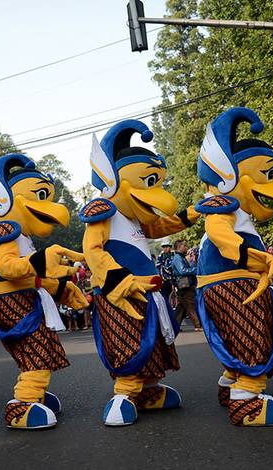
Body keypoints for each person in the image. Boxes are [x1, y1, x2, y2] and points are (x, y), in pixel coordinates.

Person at [81, 119, 199, 427]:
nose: (155, 193)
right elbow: (92, 249)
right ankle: (124, 394)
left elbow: (160, 226)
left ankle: (147, 389)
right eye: (148, 182)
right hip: (122, 293)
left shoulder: (133, 217)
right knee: (129, 343)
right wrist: (118, 277)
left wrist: (190, 214)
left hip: (149, 292)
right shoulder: (104, 210)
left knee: (152, 343)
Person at [195, 107, 273, 427]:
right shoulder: (220, 207)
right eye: (267, 175)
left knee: (241, 336)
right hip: (231, 281)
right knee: (251, 335)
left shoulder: (236, 209)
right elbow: (220, 236)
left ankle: (231, 382)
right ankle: (247, 399)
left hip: (238, 281)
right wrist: (260, 259)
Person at [0, 154, 87, 430]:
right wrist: (44, 261)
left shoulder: (22, 236)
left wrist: (61, 288)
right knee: (38, 348)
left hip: (20, 296)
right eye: (39, 196)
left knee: (40, 347)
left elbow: (31, 275)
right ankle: (22, 404)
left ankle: (34, 391)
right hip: (8, 299)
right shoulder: (5, 229)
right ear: (6, 199)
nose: (49, 207)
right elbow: (7, 268)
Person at [171, 240, 201, 331]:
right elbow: (182, 271)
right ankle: (198, 326)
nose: (186, 248)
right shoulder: (177, 258)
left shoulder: (180, 257)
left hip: (184, 285)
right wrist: (195, 270)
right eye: (184, 246)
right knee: (191, 305)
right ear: (179, 247)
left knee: (181, 309)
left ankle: (174, 327)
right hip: (184, 286)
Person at [156, 240, 175, 306]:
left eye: (167, 247)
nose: (165, 248)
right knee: (165, 297)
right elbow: (158, 267)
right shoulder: (160, 256)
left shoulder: (174, 255)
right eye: (164, 247)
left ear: (170, 247)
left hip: (174, 279)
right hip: (164, 281)